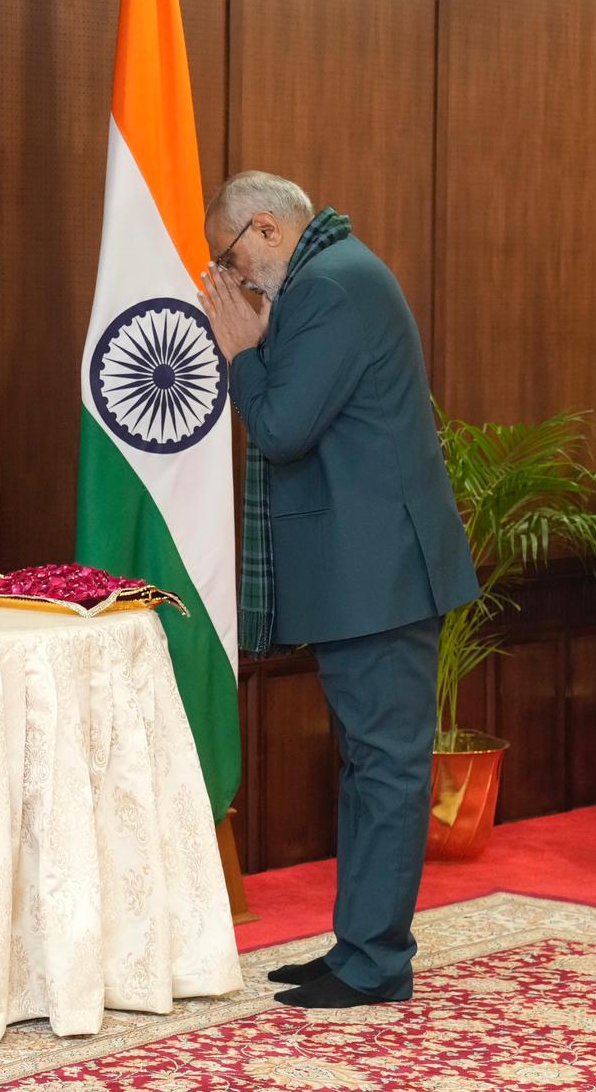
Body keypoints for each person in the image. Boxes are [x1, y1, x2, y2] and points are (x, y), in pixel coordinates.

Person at [197, 171, 479, 1010]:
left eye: (231, 254)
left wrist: (242, 352)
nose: (234, 276)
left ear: (267, 229)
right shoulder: (333, 275)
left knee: (385, 768)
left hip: (379, 575)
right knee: (368, 765)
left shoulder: (330, 286)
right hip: (369, 573)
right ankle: (359, 946)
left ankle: (377, 962)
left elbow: (282, 428)